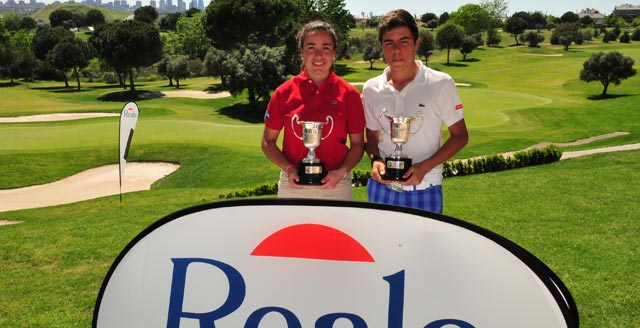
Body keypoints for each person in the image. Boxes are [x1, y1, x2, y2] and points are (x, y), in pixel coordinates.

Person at [363, 9, 468, 213]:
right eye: (389, 43)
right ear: (381, 46)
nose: (396, 50)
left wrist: (424, 167)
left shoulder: (440, 83)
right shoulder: (371, 89)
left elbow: (460, 136)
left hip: (425, 188)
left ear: (416, 43)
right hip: (381, 189)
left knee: (425, 247)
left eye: (404, 41)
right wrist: (375, 159)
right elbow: (371, 137)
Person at [262, 21, 365, 200]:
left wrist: (341, 172)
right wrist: (288, 168)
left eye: (326, 47)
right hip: (293, 186)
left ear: (334, 53)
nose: (318, 55)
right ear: (301, 52)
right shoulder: (283, 92)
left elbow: (357, 145)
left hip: (337, 186)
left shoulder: (350, 94)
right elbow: (268, 142)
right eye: (311, 47)